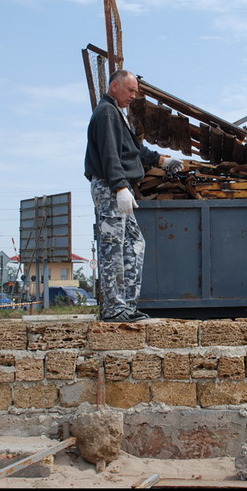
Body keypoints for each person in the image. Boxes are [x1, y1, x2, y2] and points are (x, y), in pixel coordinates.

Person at [84, 69, 183, 322]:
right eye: (130, 90)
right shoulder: (106, 113)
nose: (133, 95)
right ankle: (113, 309)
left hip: (117, 186)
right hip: (110, 186)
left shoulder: (116, 113)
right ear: (115, 86)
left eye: (135, 91)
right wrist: (119, 187)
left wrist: (162, 159)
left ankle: (126, 306)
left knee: (134, 244)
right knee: (113, 247)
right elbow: (110, 154)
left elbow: (133, 149)